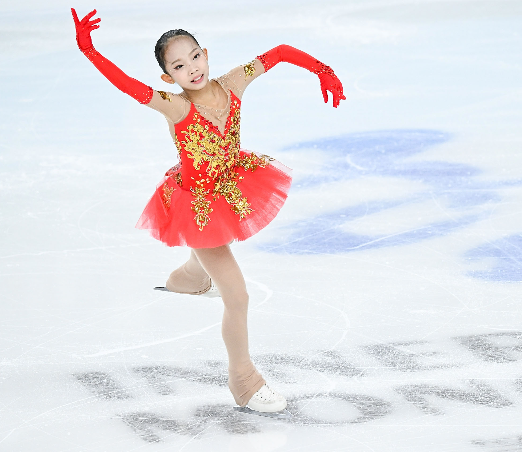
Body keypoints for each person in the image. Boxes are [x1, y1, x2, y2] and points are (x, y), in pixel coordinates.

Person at [71, 8, 345, 413]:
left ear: (206, 53)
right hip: (197, 205)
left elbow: (280, 52)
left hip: (232, 185)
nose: (192, 68)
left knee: (205, 267)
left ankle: (188, 281)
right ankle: (244, 381)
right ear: (169, 78)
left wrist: (322, 70)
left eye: (195, 56)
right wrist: (89, 50)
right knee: (238, 295)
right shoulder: (174, 106)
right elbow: (128, 85)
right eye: (179, 66)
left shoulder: (234, 82)